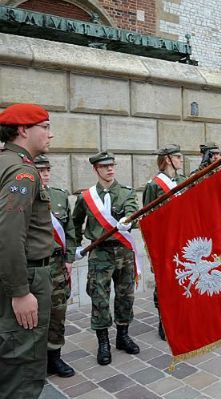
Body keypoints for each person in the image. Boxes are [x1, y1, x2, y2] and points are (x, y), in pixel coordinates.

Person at [0, 103, 54, 398]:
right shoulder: (22, 172)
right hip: (27, 277)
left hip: (12, 274)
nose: (50, 134)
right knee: (23, 365)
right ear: (22, 130)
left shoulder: (5, 162)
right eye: (44, 127)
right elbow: (8, 235)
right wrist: (20, 291)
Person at [72, 152, 140, 365]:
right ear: (96, 169)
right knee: (99, 298)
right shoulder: (86, 197)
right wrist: (74, 246)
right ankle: (103, 342)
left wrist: (128, 221)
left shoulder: (126, 193)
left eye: (112, 165)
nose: (110, 169)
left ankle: (123, 335)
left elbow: (133, 211)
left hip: (123, 251)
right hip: (100, 253)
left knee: (125, 295)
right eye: (104, 166)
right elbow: (75, 223)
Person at [34, 155, 76, 378]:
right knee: (36, 315)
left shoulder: (59, 196)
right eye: (41, 170)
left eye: (48, 169)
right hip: (37, 267)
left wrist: (69, 259)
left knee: (58, 313)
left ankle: (55, 357)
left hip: (58, 265)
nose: (46, 173)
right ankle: (36, 361)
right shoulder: (23, 198)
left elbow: (69, 231)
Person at [143, 144, 186, 340]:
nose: (181, 159)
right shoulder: (154, 185)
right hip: (164, 241)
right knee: (164, 281)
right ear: (168, 159)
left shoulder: (184, 180)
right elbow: (148, 217)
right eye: (178, 156)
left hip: (183, 238)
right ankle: (164, 319)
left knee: (183, 278)